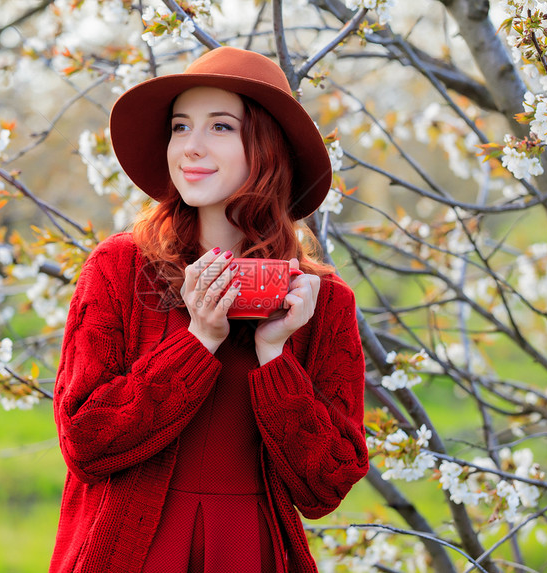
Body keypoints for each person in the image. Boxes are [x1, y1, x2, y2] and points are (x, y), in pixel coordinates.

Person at [49, 46, 368, 573]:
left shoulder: (322, 302)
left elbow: (325, 485)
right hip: (130, 552)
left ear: (268, 148)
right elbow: (85, 442)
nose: (190, 148)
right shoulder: (120, 269)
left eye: (220, 127)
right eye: (180, 127)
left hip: (251, 552)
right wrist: (197, 341)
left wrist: (275, 355)